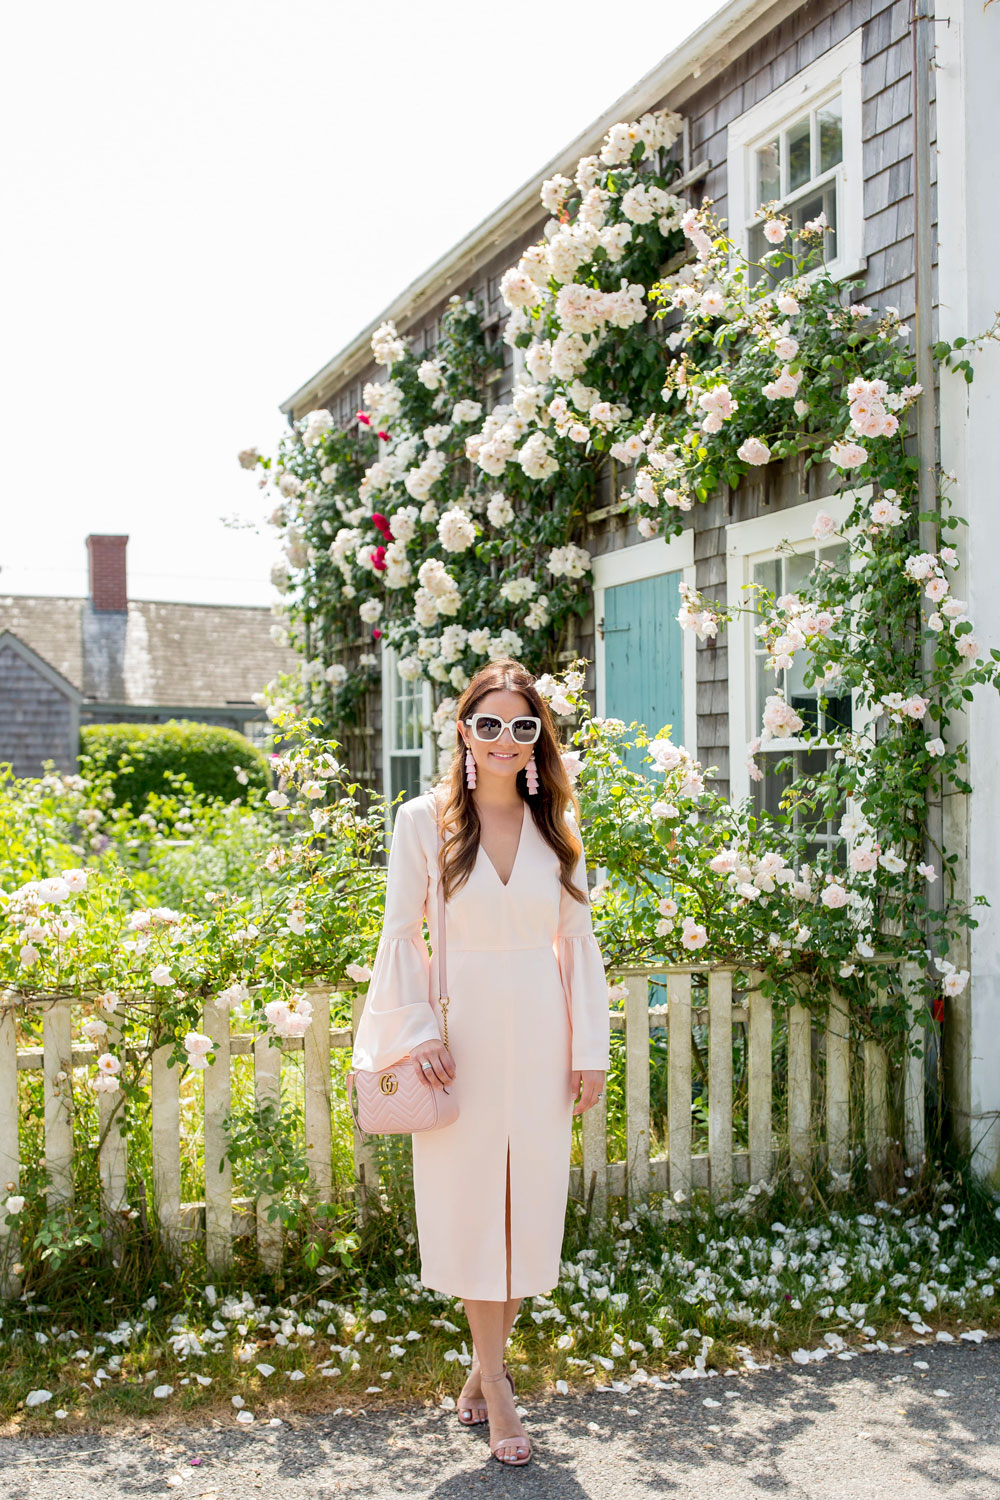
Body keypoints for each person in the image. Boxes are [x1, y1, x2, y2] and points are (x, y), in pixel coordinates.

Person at [350, 657, 610, 1466]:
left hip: (543, 1038)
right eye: (489, 723)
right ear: (465, 730)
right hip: (455, 1046)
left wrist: (590, 1051)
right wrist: (418, 1029)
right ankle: (498, 1386)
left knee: (527, 1209)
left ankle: (480, 1366)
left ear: (539, 740)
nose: (505, 738)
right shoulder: (423, 821)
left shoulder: (556, 826)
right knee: (473, 1209)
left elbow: (579, 945)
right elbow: (402, 936)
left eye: (522, 726)